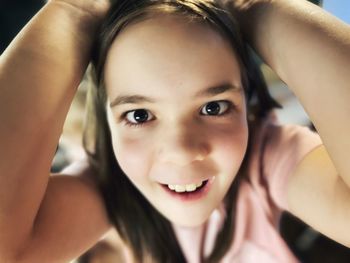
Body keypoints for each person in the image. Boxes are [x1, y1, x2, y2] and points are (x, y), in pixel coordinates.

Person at [0, 0, 349, 262]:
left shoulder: (265, 157)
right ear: (107, 119)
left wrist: (257, 6)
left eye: (213, 108)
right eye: (139, 115)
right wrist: (72, 12)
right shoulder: (109, 189)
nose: (182, 150)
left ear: (246, 101)